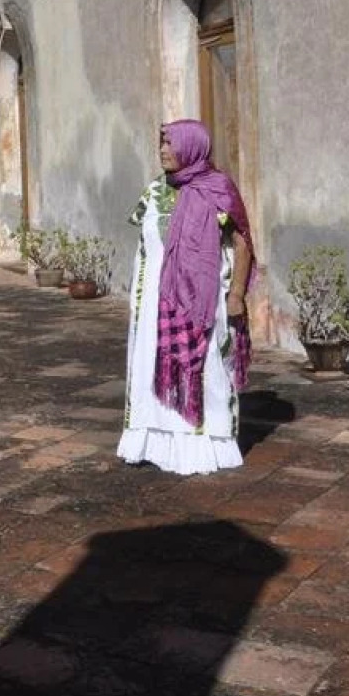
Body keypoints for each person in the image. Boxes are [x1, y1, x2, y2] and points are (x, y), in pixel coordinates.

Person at [117, 119, 254, 475]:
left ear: (191, 146)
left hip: (201, 302)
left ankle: (203, 445)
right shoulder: (154, 191)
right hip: (153, 305)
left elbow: (242, 241)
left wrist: (237, 292)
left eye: (170, 144)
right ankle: (156, 442)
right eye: (161, 144)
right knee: (150, 365)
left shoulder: (218, 189)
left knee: (206, 368)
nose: (163, 150)